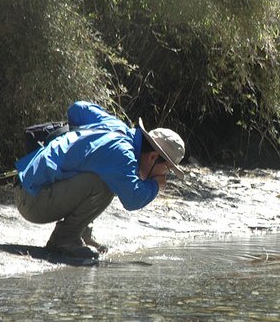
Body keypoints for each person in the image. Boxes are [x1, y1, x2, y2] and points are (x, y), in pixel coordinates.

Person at [13, 101, 185, 259]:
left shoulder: (116, 126)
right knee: (103, 183)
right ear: (153, 156)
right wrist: (155, 184)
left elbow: (77, 108)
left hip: (26, 187)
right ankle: (65, 239)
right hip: (31, 200)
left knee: (102, 170)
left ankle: (81, 233)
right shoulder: (123, 154)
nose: (165, 175)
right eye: (167, 169)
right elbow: (133, 199)